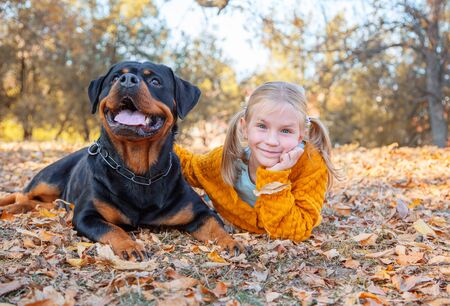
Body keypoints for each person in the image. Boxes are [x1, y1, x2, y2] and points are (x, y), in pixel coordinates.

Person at [174, 81, 340, 242]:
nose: (272, 140)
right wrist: (155, 138)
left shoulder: (310, 164)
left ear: (300, 135)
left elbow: (292, 232)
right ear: (245, 128)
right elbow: (187, 166)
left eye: (285, 130)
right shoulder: (226, 160)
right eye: (262, 126)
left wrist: (275, 177)